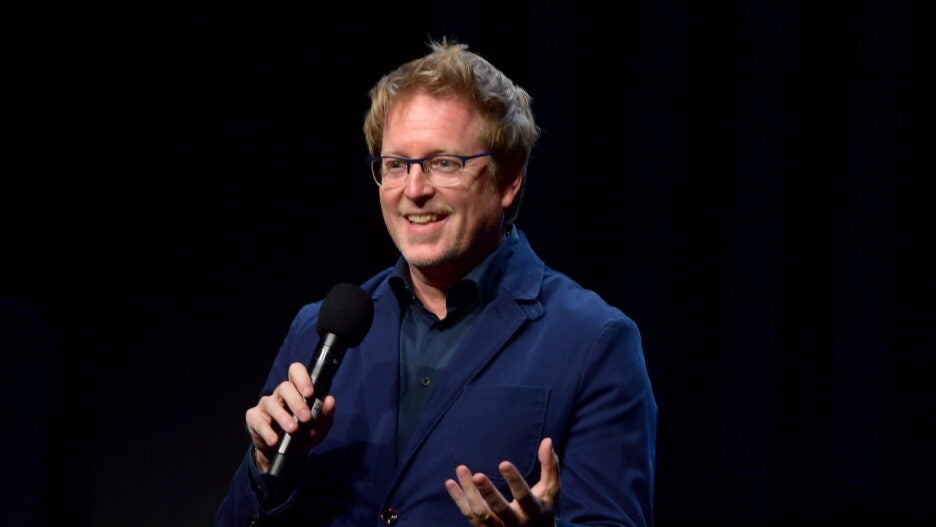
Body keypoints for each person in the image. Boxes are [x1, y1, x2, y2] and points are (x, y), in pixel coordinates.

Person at [216, 38, 657, 527]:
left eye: (443, 163)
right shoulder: (317, 329)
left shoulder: (594, 341)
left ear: (509, 178)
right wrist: (266, 467)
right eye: (396, 165)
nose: (414, 189)